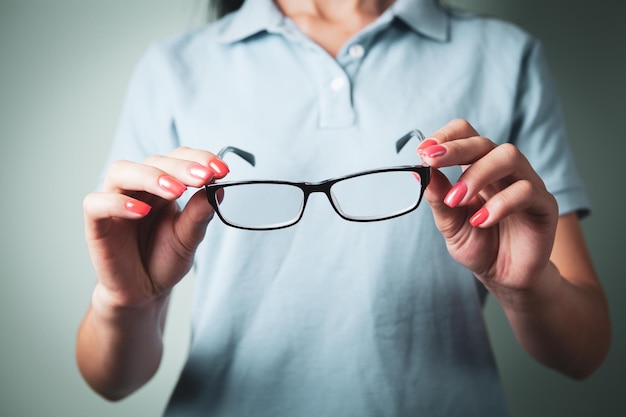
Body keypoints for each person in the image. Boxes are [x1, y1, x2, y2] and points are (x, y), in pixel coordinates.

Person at [76, 0, 611, 415]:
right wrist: (125, 305)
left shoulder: (504, 56)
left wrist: (525, 287)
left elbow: (584, 352)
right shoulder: (174, 68)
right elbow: (111, 379)